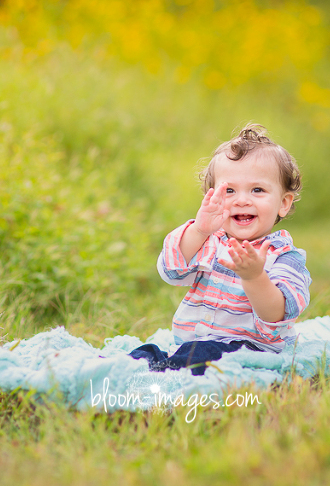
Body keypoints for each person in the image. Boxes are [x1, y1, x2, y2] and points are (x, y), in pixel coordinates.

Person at [130, 124, 311, 375]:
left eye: (257, 190)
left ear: (283, 203)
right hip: (191, 345)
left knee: (197, 356)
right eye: (229, 191)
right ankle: (124, 369)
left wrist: (255, 277)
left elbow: (278, 313)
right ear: (212, 197)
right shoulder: (210, 241)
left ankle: (164, 374)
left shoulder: (283, 256)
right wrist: (199, 230)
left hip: (248, 349)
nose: (242, 200)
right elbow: (172, 271)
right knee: (147, 352)